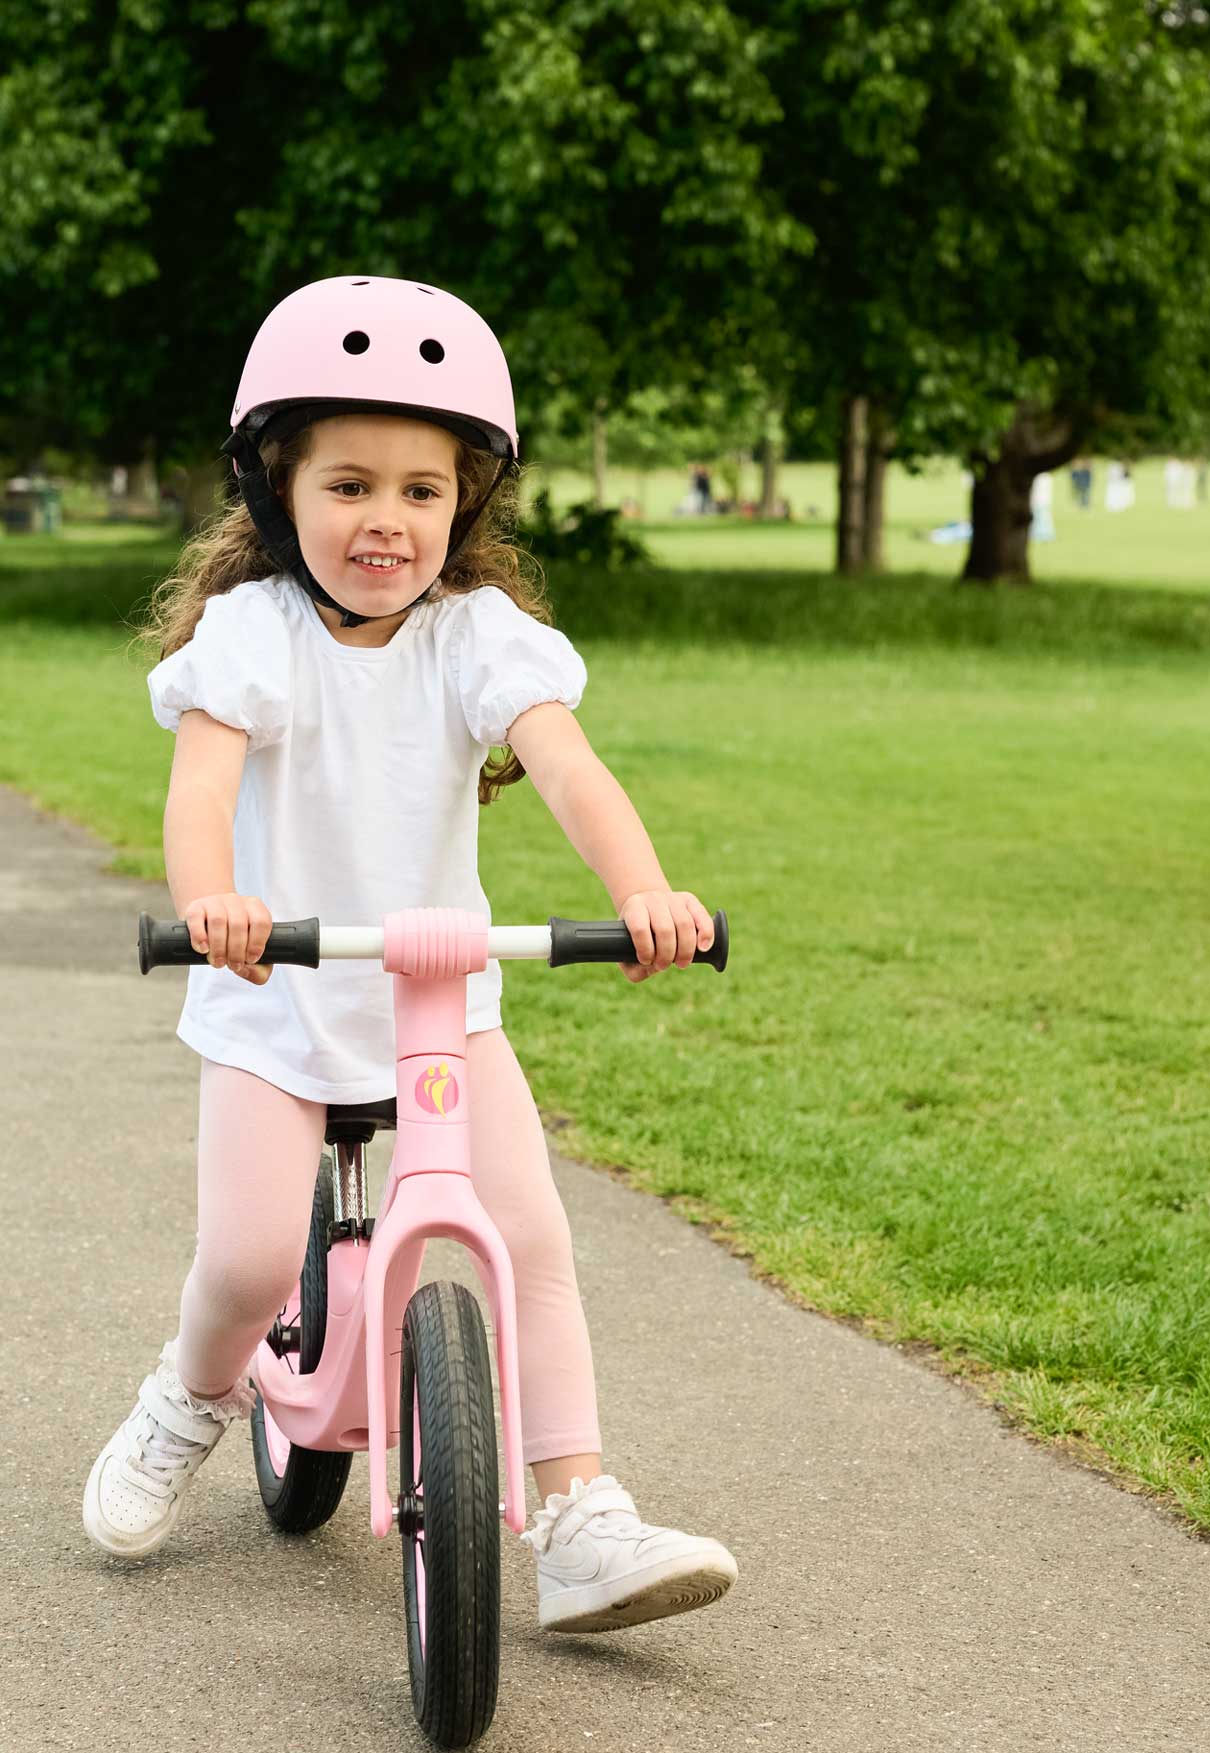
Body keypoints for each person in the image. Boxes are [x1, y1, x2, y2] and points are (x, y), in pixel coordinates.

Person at [81, 276, 740, 1634]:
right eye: (349, 485)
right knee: (254, 1257)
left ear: (466, 507)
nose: (386, 521)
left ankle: (576, 1517)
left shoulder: (474, 637)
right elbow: (201, 793)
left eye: (423, 492)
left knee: (534, 1240)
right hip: (277, 1002)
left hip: (440, 1005)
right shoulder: (253, 632)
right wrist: (215, 905)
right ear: (278, 490)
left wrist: (648, 891)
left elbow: (565, 762)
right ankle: (190, 1398)